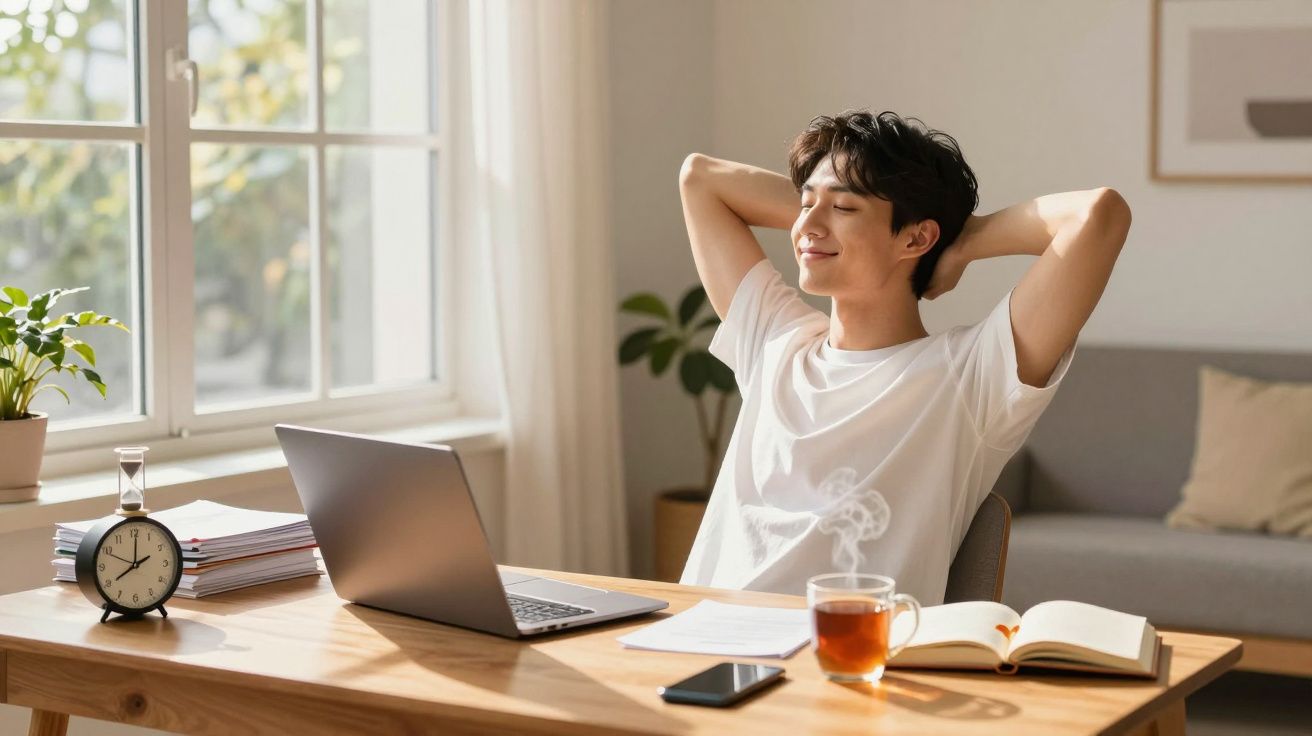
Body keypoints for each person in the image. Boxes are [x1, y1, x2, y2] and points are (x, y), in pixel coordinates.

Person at [676, 110, 1131, 604]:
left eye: (844, 208)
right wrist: (834, 217)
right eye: (805, 203)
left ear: (916, 238)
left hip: (845, 661)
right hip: (697, 641)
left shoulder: (969, 377)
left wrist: (962, 243)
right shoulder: (775, 343)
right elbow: (700, 178)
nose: (805, 223)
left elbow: (1098, 215)